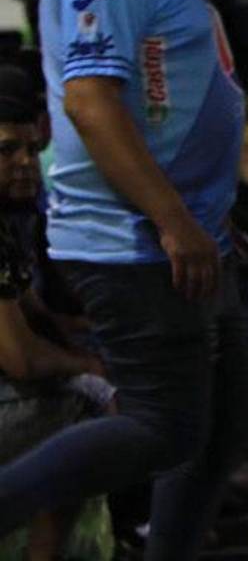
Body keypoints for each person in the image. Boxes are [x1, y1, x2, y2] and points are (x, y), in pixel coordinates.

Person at [0, 0, 248, 561]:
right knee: (162, 425)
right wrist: (172, 220)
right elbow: (90, 103)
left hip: (183, 230)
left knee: (221, 421)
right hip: (137, 239)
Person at [0, 66, 112, 561]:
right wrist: (87, 370)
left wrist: (84, 341)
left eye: (29, 149)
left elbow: (33, 310)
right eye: (6, 152)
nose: (26, 163)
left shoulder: (10, 221)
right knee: (87, 413)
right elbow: (20, 358)